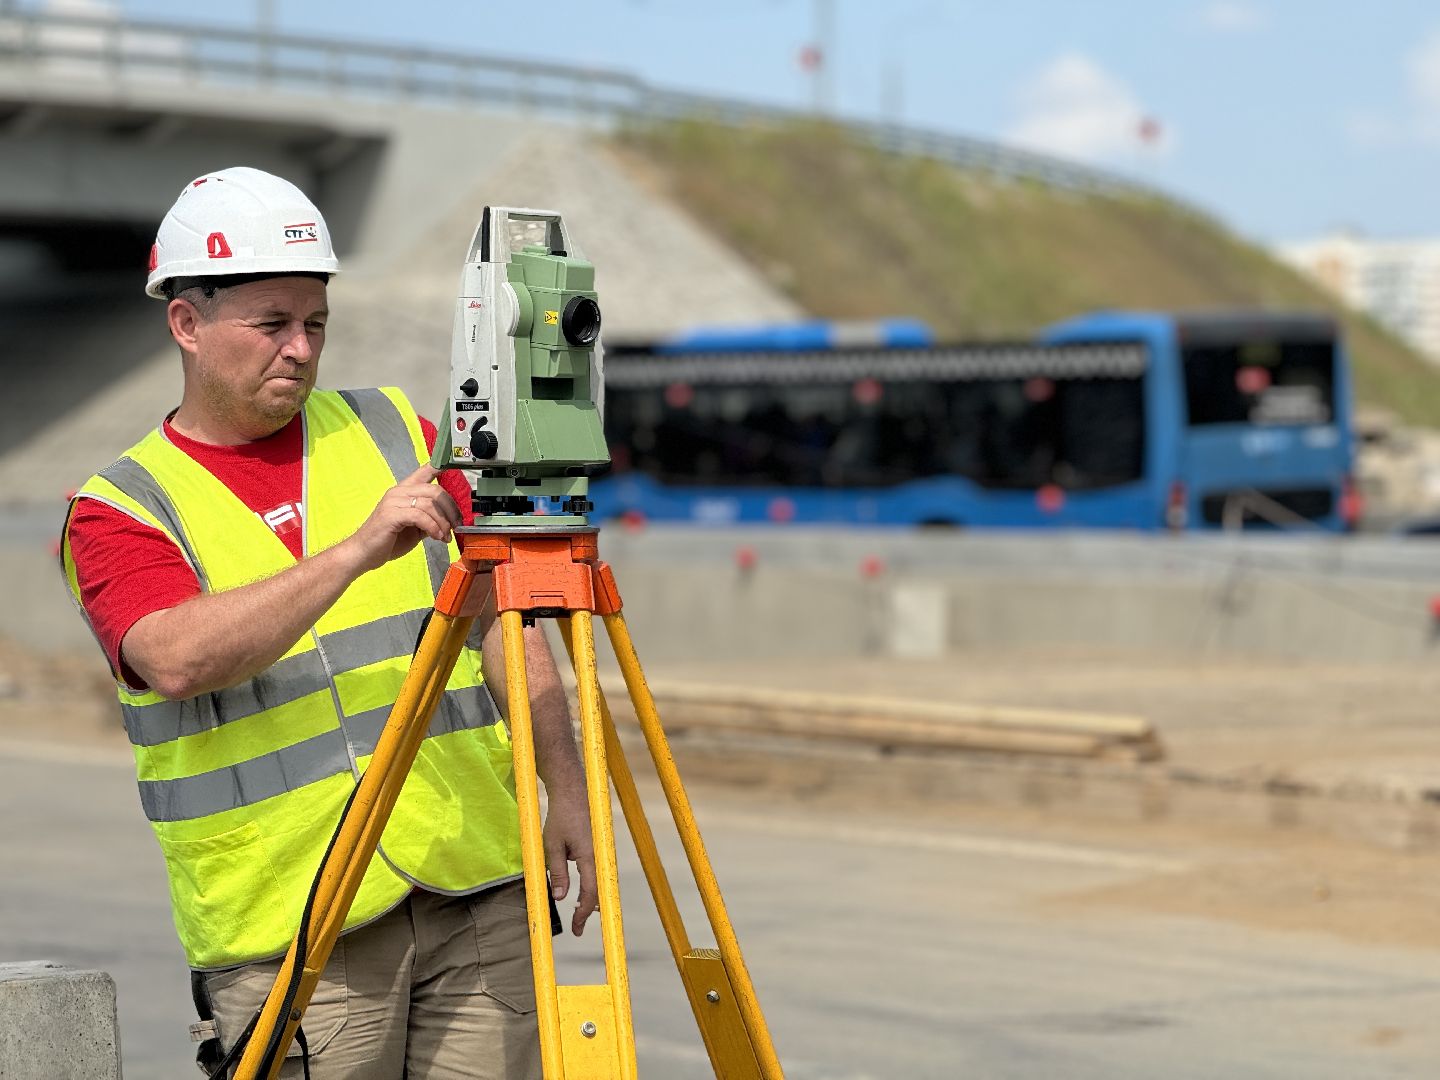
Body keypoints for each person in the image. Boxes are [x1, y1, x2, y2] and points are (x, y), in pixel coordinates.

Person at [59, 166, 596, 1078]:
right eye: (271, 325)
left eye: (315, 324)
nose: (300, 349)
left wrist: (567, 783)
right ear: (186, 323)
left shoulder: (396, 429)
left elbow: (504, 624)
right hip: (294, 925)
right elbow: (176, 657)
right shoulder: (120, 508)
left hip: (476, 884)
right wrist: (354, 552)